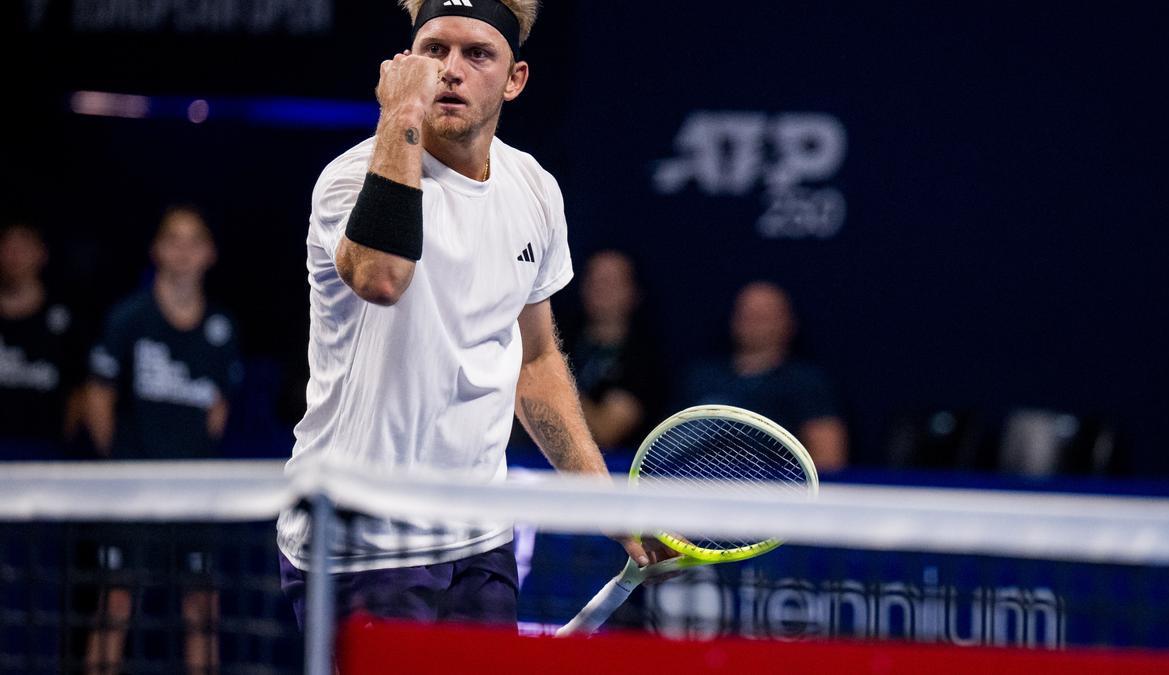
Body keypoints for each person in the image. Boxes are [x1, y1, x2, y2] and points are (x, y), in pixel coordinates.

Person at [275, 0, 672, 632]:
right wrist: (401, 111)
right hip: (361, 542)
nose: (450, 71)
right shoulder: (349, 180)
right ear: (404, 63)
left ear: (514, 79)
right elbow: (382, 277)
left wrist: (608, 506)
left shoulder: (535, 189)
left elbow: (536, 361)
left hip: (479, 540)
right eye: (434, 51)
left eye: (477, 54)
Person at [83, 206, 241, 675]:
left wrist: (185, 458)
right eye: (174, 239)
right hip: (131, 491)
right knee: (113, 602)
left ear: (209, 254)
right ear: (157, 250)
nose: (184, 250)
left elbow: (218, 409)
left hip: (194, 495)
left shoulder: (222, 329)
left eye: (195, 240)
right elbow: (98, 400)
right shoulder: (129, 318)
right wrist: (129, 462)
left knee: (203, 609)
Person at [680, 281, 849, 471]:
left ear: (789, 323)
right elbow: (668, 443)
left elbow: (829, 458)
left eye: (763, 316)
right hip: (697, 490)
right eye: (746, 314)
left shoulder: (807, 382)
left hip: (771, 493)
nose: (752, 322)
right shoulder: (702, 376)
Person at [564, 249, 665, 450]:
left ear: (634, 292)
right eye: (593, 279)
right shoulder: (560, 338)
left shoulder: (643, 358)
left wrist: (546, 375)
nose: (600, 288)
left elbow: (606, 432)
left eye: (611, 281)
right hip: (535, 463)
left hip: (615, 472)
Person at [0, 220, 87, 454]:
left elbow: (79, 390)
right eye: (7, 246)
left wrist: (62, 449)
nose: (14, 256)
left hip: (46, 453)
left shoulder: (65, 319)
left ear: (42, 253)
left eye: (23, 246)